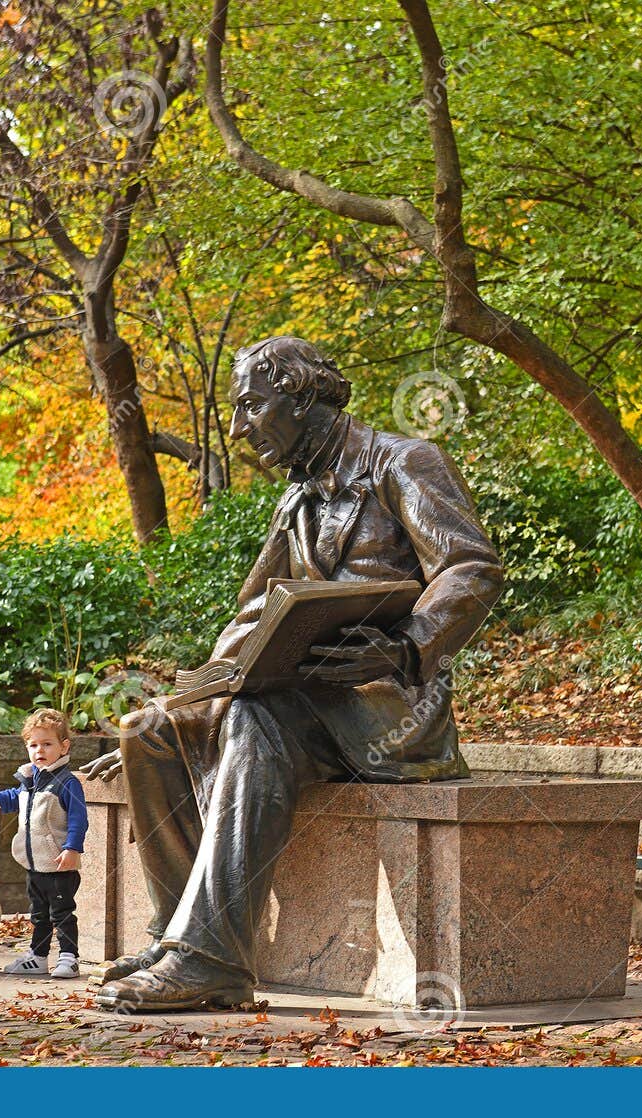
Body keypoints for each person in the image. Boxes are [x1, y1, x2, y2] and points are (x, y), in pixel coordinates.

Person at [81, 335, 503, 1011]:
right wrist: (186, 704)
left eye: (252, 405)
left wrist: (404, 647)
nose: (240, 428)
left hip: (390, 712)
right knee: (147, 730)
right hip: (308, 705)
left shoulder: (403, 462)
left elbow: (471, 567)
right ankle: (180, 937)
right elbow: (252, 616)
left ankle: (209, 956)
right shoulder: (297, 499)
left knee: (253, 717)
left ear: (302, 395)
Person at [0, 708, 87, 979]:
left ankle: (69, 957)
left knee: (62, 913)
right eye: (33, 745)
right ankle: (38, 957)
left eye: (47, 744)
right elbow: (10, 798)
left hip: (58, 865)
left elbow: (79, 819)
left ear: (63, 747)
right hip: (34, 865)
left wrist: (72, 848)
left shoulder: (66, 783)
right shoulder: (29, 782)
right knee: (39, 914)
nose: (39, 750)